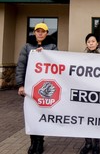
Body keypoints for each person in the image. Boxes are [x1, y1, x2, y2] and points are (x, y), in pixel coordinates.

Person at [16, 22, 57, 154]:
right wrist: (20, 85)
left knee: (42, 115)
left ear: (46, 33)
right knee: (31, 115)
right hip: (30, 88)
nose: (40, 33)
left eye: (43, 31)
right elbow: (21, 66)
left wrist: (45, 54)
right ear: (34, 32)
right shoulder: (27, 47)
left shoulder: (52, 47)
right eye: (37, 31)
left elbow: (57, 62)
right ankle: (33, 142)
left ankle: (40, 142)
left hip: (45, 89)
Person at [79, 33, 100, 154]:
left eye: (93, 41)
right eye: (89, 41)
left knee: (96, 118)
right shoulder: (81, 58)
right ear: (86, 44)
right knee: (85, 118)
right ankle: (88, 143)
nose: (91, 43)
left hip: (97, 93)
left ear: (97, 43)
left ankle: (96, 143)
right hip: (85, 93)